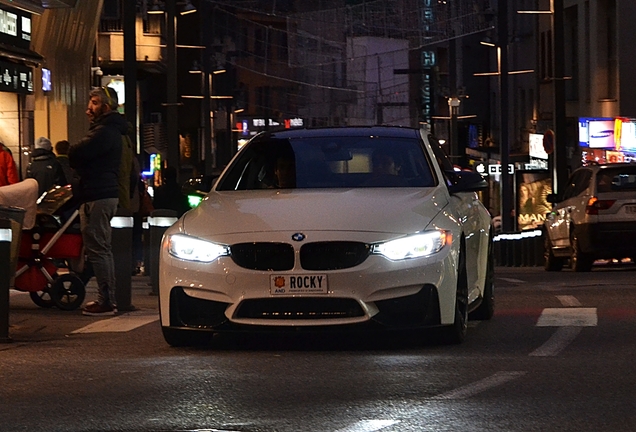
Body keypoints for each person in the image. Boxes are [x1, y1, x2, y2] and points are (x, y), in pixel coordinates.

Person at [68, 86, 126, 316]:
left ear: (106, 106)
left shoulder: (104, 132)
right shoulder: (109, 131)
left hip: (97, 195)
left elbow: (76, 152)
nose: (88, 109)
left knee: (99, 249)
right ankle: (107, 297)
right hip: (101, 193)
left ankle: (106, 300)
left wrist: (76, 159)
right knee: (101, 248)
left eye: (93, 103)